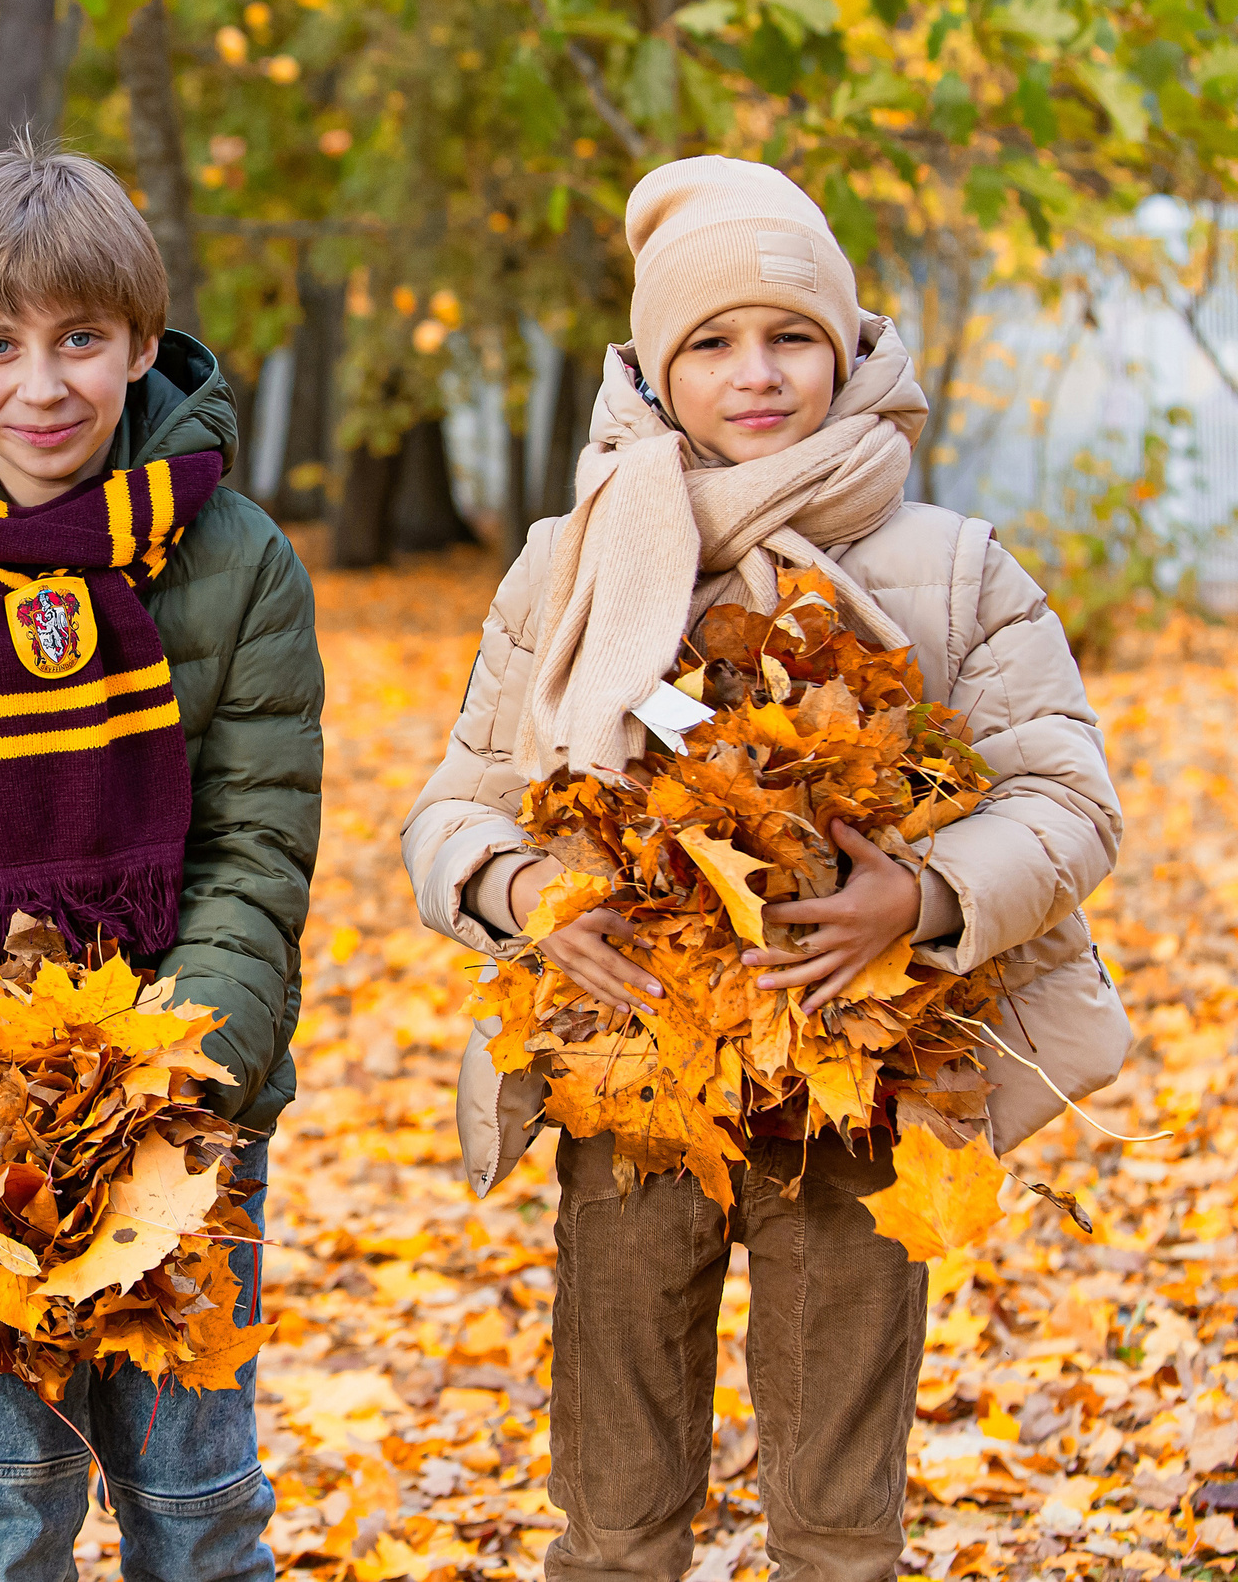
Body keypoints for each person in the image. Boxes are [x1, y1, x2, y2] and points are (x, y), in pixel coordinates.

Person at [401, 155, 1130, 1582]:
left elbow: (1068, 798)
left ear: (850, 349)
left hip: (854, 1078)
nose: (756, 371)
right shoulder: (573, 565)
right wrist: (524, 896)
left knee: (840, 1495)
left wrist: (918, 896)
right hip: (632, 1068)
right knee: (614, 1487)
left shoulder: (956, 564)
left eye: (792, 335)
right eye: (712, 341)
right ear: (656, 368)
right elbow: (457, 806)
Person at [0, 139, 323, 1581]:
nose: (44, 385)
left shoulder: (236, 560)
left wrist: (177, 1066)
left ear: (143, 342)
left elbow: (257, 840)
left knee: (198, 1492)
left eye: (82, 339)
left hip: (182, 1097)